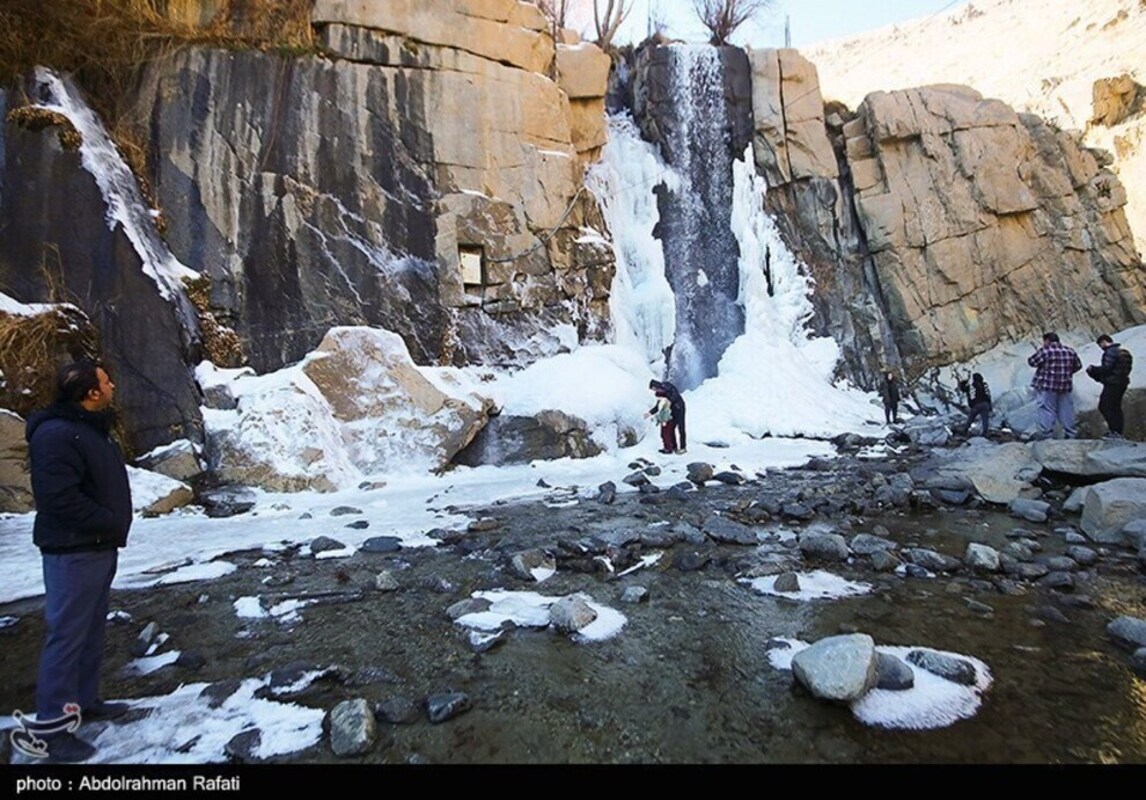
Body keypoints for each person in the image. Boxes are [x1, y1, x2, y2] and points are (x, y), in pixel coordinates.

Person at [24, 361, 133, 763]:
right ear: (90, 392)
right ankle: (52, 728)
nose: (111, 385)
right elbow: (58, 498)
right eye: (106, 381)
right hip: (74, 550)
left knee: (89, 631)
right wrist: (107, 521)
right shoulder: (57, 434)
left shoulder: (87, 429)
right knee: (66, 636)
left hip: (97, 546)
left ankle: (84, 702)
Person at [1027, 331, 1083, 439]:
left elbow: (1032, 362)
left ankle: (1047, 434)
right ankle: (1071, 433)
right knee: (1066, 410)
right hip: (1065, 385)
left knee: (1047, 409)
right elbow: (1078, 366)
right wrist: (1066, 373)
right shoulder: (1070, 351)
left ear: (1047, 341)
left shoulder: (1046, 351)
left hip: (1048, 385)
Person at [1086, 333, 1133, 439]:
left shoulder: (1110, 352)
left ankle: (1114, 431)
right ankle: (1118, 432)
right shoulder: (1124, 351)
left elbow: (1107, 368)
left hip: (1112, 384)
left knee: (1105, 406)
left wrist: (1093, 369)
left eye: (1100, 345)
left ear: (1103, 342)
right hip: (1122, 383)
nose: (1101, 348)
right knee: (1116, 408)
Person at [648, 379, 686, 453]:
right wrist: (650, 413)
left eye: (653, 388)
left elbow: (675, 395)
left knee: (681, 428)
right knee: (671, 428)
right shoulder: (659, 393)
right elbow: (659, 405)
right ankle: (673, 446)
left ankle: (683, 447)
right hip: (671, 411)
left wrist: (669, 400)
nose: (654, 390)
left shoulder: (667, 386)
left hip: (679, 408)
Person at [958, 373, 992, 437]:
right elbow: (988, 395)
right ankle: (985, 433)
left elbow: (966, 391)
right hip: (985, 404)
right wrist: (990, 405)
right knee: (985, 419)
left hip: (977, 404)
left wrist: (963, 383)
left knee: (971, 417)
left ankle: (965, 430)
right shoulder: (985, 385)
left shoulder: (972, 386)